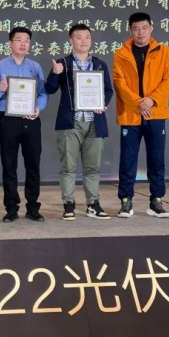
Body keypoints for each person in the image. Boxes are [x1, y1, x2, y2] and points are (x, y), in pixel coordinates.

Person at [45, 23, 113, 221]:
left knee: (93, 168)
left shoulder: (100, 64)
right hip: (70, 122)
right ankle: (68, 205)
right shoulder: (62, 63)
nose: (83, 41)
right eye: (79, 37)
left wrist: (102, 104)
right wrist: (55, 73)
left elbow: (108, 90)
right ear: (71, 40)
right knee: (68, 167)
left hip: (94, 122)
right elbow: (49, 89)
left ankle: (93, 204)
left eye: (87, 37)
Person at [112, 12, 169, 218]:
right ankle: (126, 200)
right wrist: (139, 102)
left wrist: (151, 99)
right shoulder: (121, 53)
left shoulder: (164, 51)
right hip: (131, 114)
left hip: (155, 113)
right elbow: (119, 83)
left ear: (151, 28)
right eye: (136, 28)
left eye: (144, 27)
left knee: (157, 158)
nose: (140, 32)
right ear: (130, 30)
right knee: (128, 159)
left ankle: (156, 200)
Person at [0, 26, 48, 222]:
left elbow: (43, 93)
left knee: (33, 165)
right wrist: (1, 89)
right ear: (10, 43)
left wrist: (38, 108)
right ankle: (11, 208)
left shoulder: (35, 67)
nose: (23, 44)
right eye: (19, 40)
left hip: (31, 119)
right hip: (9, 120)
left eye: (27, 41)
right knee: (9, 165)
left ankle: (33, 207)